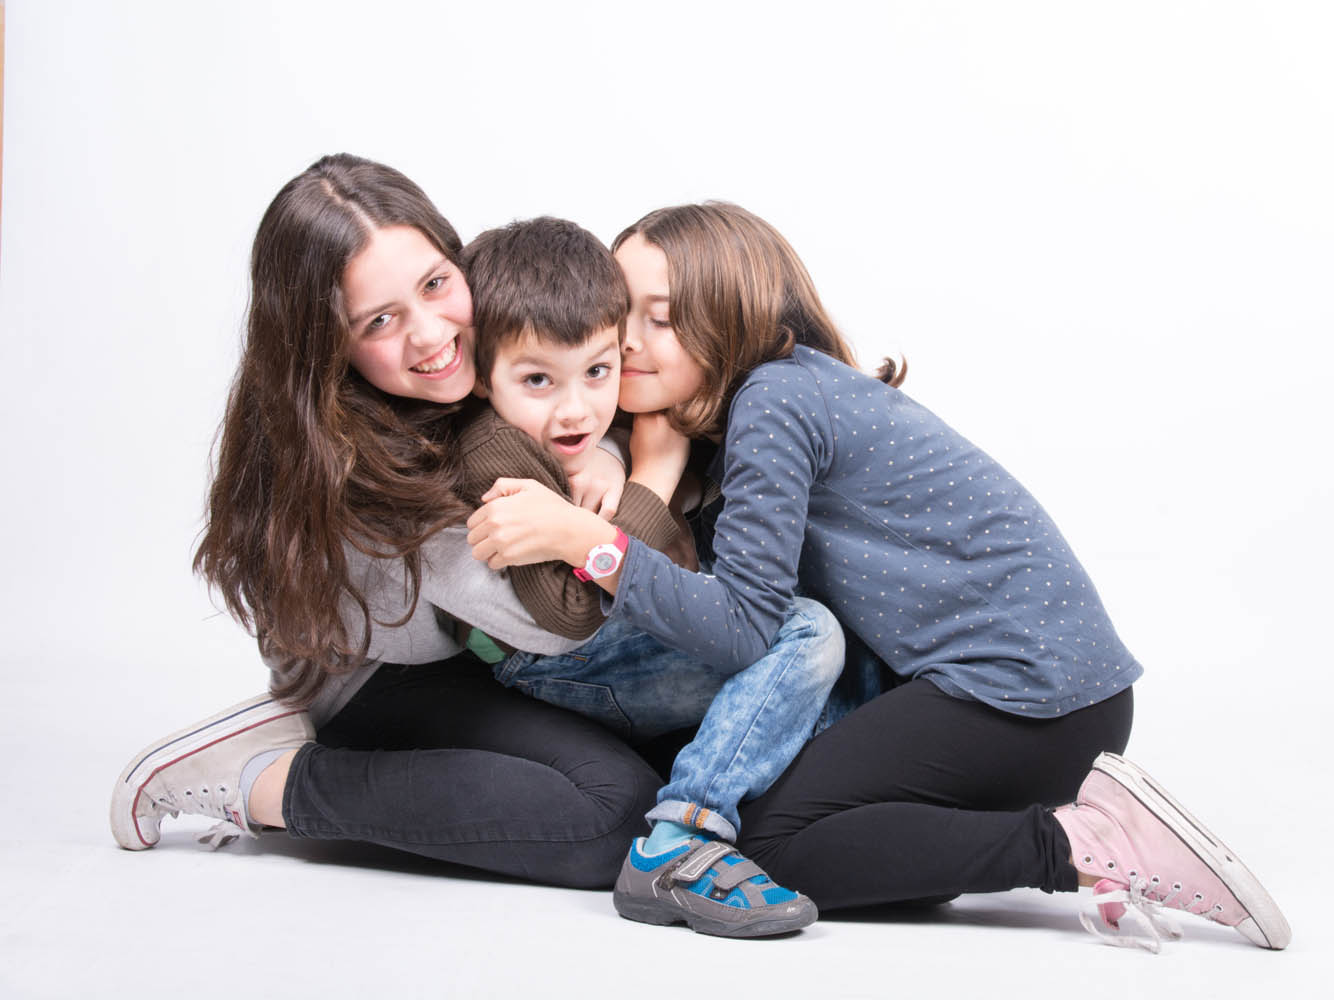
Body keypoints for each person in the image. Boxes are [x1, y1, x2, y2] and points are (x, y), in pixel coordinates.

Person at [464, 202, 1292, 951]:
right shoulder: (771, 398)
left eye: (663, 320)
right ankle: (1016, 843)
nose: (627, 343)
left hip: (1032, 702)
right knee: (782, 799)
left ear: (731, 320)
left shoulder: (775, 402)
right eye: (623, 315)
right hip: (1041, 696)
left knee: (767, 845)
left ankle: (1083, 848)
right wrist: (633, 457)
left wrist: (590, 542)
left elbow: (746, 627)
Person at [110, 154, 666, 890]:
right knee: (614, 817)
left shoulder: (469, 365)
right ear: (328, 344)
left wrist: (608, 454)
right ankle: (264, 782)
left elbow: (572, 381)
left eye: (436, 284)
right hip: (376, 685)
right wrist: (650, 477)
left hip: (473, 654)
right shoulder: (370, 470)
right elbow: (555, 624)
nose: (433, 334)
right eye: (380, 320)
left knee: (670, 768)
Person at [448, 216, 847, 936]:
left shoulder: (582, 429)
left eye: (597, 372)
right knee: (803, 632)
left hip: (610, 643)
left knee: (825, 680)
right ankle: (682, 838)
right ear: (483, 374)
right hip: (552, 663)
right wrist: (652, 478)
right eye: (537, 379)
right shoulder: (494, 452)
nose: (575, 409)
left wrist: (613, 457)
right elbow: (568, 611)